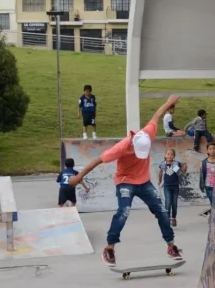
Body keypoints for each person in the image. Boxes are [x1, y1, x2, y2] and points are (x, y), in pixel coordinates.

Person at [66, 95, 184, 266]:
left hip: (144, 182)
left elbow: (157, 115)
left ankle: (171, 246)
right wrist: (78, 177)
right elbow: (97, 160)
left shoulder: (148, 134)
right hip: (125, 181)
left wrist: (169, 102)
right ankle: (109, 249)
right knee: (124, 211)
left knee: (161, 211)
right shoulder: (121, 147)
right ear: (133, 145)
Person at [156, 149, 187, 227]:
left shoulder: (175, 164)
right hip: (167, 186)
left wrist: (185, 167)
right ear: (165, 155)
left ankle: (173, 218)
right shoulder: (163, 164)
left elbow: (182, 172)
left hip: (175, 186)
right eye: (168, 154)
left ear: (174, 156)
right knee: (168, 202)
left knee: (174, 203)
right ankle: (167, 218)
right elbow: (160, 173)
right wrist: (159, 181)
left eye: (171, 154)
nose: (169, 156)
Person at [199, 142, 215, 217]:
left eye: (214, 149)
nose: (212, 150)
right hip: (208, 186)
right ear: (207, 151)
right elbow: (201, 175)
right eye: (210, 149)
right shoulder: (204, 162)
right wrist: (201, 185)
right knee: (213, 202)